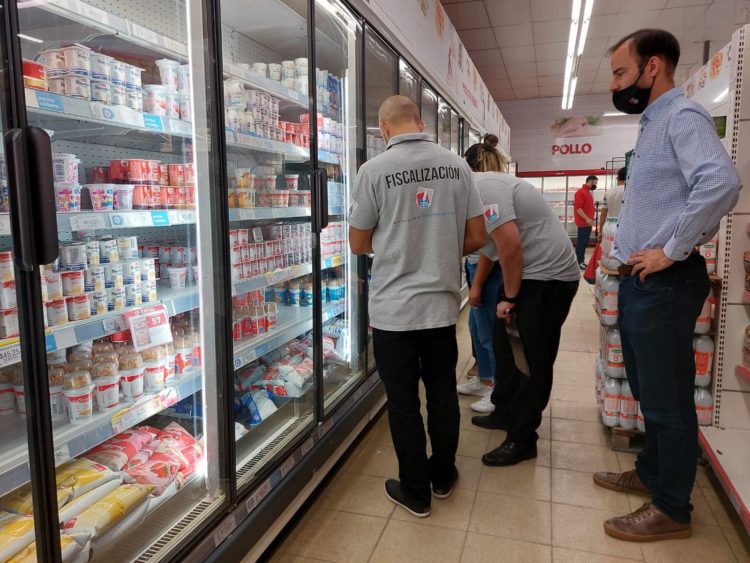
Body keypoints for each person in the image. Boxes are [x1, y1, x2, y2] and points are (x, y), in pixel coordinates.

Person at [593, 28, 741, 542]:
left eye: (620, 72)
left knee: (667, 399)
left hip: (668, 284)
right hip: (643, 283)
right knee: (647, 389)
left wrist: (671, 249)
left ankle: (672, 508)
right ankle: (653, 474)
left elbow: (720, 182)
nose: (615, 84)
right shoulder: (654, 124)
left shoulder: (682, 116)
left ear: (652, 66)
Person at [348, 95, 486, 518]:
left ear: (384, 128)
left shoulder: (373, 171)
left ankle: (415, 491)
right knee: (442, 395)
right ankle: (442, 476)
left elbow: (358, 242)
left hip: (393, 312)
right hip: (441, 308)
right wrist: (437, 251)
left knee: (403, 402)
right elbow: (477, 237)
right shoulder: (457, 166)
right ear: (421, 123)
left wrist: (398, 246)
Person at [466, 145, 580, 466]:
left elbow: (511, 246)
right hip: (527, 274)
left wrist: (510, 298)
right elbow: (491, 246)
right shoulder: (473, 194)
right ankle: (504, 411)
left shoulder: (485, 189)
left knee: (531, 359)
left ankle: (523, 439)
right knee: (503, 346)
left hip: (548, 279)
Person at [457, 134, 505, 414]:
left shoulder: (482, 187)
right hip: (477, 263)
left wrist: (476, 284)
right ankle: (483, 378)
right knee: (476, 329)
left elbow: (492, 244)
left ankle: (496, 389)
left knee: (488, 332)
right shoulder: (485, 185)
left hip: (487, 266)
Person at [574, 175, 598, 269]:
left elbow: (586, 207)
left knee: (584, 243)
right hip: (583, 223)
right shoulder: (581, 192)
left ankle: (581, 261)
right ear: (591, 181)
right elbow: (578, 208)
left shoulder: (587, 192)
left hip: (587, 223)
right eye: (595, 183)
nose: (595, 185)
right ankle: (578, 262)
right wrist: (587, 219)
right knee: (581, 243)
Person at [599, 167, 627, 231]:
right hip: (624, 227)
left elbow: (603, 213)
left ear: (617, 178)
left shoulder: (608, 192)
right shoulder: (629, 191)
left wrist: (600, 231)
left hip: (609, 227)